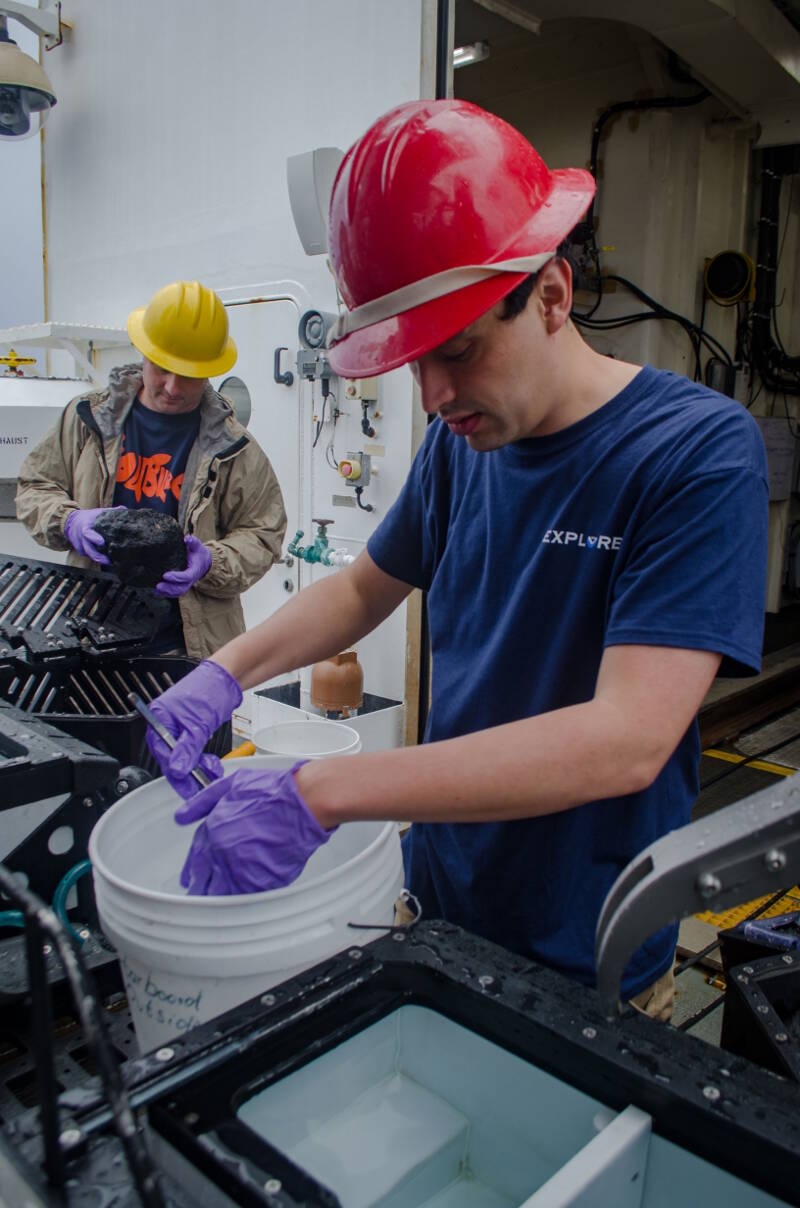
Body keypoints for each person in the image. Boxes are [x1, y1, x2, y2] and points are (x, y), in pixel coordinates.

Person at [143, 101, 768, 1019]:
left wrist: (319, 794)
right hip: (440, 903)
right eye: (410, 364)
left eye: (460, 351)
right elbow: (365, 588)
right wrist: (223, 674)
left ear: (552, 294)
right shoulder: (461, 444)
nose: (434, 396)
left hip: (591, 952)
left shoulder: (695, 452)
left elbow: (628, 738)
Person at [16, 280, 287, 659]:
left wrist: (210, 562)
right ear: (143, 353)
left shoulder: (235, 448)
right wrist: (69, 522)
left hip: (188, 647)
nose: (173, 387)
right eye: (162, 369)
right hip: (89, 635)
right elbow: (33, 488)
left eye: (189, 374)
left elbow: (264, 534)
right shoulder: (87, 420)